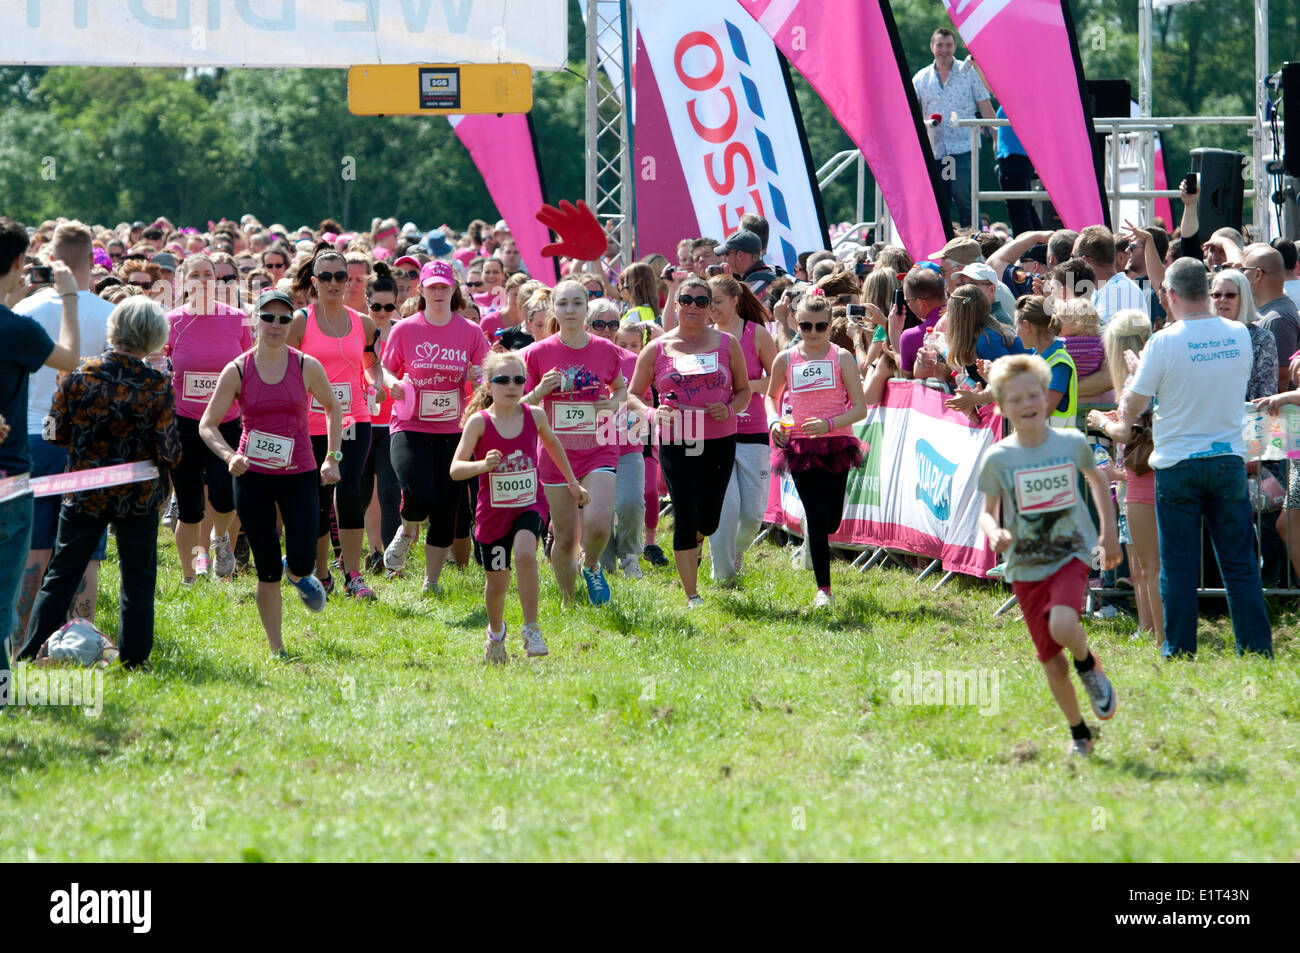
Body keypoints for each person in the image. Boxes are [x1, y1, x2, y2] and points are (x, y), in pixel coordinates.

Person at [1110, 258, 1272, 658]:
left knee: (1179, 567)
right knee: (1240, 563)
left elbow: (1133, 406)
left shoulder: (1163, 341)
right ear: (1206, 289)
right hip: (1227, 460)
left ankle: (1179, 650)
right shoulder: (1238, 333)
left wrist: (1136, 374)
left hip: (1178, 463)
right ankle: (1255, 648)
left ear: (1171, 294)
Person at [21, 297, 181, 669]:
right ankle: (135, 661)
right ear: (153, 336)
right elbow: (170, 452)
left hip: (84, 490)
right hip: (138, 495)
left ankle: (30, 654)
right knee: (137, 580)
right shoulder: (157, 384)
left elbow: (55, 434)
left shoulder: (77, 375)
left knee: (61, 576)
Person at [977, 353, 1121, 757]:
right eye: (1016, 399)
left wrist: (1108, 535)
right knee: (1050, 661)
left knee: (1063, 624)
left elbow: (1098, 480)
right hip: (1025, 563)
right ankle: (1079, 732)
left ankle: (1088, 662)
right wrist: (996, 531)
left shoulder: (1072, 443)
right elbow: (986, 514)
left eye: (1034, 395)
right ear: (1003, 406)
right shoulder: (999, 457)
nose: (1026, 405)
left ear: (1047, 397)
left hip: (1070, 551)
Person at [200, 289, 341, 659]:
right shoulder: (238, 369)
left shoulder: (307, 365)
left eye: (283, 318)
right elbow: (208, 425)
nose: (276, 325)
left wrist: (333, 457)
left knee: (302, 559)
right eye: (268, 317)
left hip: (300, 473)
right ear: (255, 321)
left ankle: (297, 573)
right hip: (253, 476)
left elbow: (333, 408)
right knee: (265, 569)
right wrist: (230, 456)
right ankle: (277, 648)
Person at [451, 351, 589, 663]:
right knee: (497, 582)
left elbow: (553, 445)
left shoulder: (534, 415)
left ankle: (531, 628)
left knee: (526, 553)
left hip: (530, 502)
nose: (511, 386)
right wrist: (482, 466)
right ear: (488, 385)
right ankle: (496, 633)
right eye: (502, 380)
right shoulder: (479, 422)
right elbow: (455, 469)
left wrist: (572, 483)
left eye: (518, 380)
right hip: (494, 513)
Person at [15, 221, 115, 637]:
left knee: (35, 547)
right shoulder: (112, 314)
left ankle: (21, 638)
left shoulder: (24, 311)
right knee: (85, 548)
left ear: (51, 260)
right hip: (89, 441)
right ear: (92, 260)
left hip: (34, 437)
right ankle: (80, 638)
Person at [627, 276, 750, 607]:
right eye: (687, 300)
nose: (693, 306)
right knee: (685, 513)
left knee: (708, 520)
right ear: (676, 304)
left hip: (719, 439)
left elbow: (744, 391)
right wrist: (653, 415)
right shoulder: (657, 348)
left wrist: (728, 408)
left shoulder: (727, 344)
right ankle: (691, 595)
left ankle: (698, 535)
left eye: (701, 301)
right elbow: (633, 396)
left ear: (710, 307)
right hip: (677, 440)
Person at [0, 221, 81, 679]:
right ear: (17, 263)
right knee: (2, 605)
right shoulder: (18, 330)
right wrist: (67, 295)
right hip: (9, 482)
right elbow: (69, 357)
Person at [380, 261, 487, 592]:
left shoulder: (470, 332)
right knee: (417, 491)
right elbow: (384, 369)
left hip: (453, 430)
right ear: (420, 290)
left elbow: (486, 375)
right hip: (409, 424)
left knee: (447, 507)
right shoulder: (405, 329)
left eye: (444, 287)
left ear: (453, 290)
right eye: (432, 287)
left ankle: (432, 581)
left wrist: (476, 376)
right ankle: (408, 527)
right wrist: (392, 384)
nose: (438, 293)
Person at [521, 278, 627, 605]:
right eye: (563, 303)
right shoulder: (537, 353)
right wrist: (540, 392)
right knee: (565, 537)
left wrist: (611, 404)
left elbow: (621, 388)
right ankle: (569, 602)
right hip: (556, 451)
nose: (570, 310)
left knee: (597, 525)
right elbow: (517, 403)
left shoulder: (606, 350)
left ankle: (591, 564)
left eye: (577, 303)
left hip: (599, 447)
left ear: (586, 308)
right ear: (553, 308)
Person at [288, 247, 380, 600]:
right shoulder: (301, 321)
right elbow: (288, 370)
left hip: (354, 420)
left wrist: (380, 383)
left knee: (349, 489)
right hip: (311, 423)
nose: (333, 283)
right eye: (324, 277)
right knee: (317, 498)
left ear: (349, 281)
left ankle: (354, 575)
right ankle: (321, 572)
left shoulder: (364, 323)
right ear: (313, 282)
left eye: (340, 276)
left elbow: (372, 363)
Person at [766, 291, 868, 608]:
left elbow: (860, 408)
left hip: (836, 442)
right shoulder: (786, 358)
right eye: (806, 325)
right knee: (814, 512)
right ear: (796, 322)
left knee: (830, 521)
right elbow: (771, 397)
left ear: (829, 325)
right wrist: (773, 423)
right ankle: (824, 590)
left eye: (819, 327)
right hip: (799, 446)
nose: (812, 333)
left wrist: (829, 423)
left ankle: (815, 531)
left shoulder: (841, 358)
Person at [165, 254, 253, 585]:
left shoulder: (237, 319)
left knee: (225, 495)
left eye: (208, 275)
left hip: (225, 422)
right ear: (183, 282)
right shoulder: (171, 321)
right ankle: (189, 576)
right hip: (184, 423)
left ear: (216, 281)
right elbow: (161, 366)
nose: (202, 280)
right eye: (195, 275)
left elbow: (248, 368)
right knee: (189, 507)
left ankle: (220, 541)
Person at [1087, 310, 1163, 648]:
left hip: (1140, 477)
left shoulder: (1138, 377)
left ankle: (1155, 630)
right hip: (1135, 476)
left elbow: (1126, 432)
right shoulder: (1155, 371)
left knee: (1147, 564)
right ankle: (1147, 627)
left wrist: (1101, 423)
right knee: (1140, 564)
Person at [707, 274, 777, 584]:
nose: (711, 308)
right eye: (707, 302)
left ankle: (732, 551)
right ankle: (723, 573)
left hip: (753, 431)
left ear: (735, 301)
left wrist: (742, 388)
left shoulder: (756, 334)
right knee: (725, 505)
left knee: (751, 515)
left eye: (717, 302)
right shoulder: (705, 337)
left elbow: (779, 379)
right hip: (716, 433)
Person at [911, 27, 996, 229]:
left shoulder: (968, 73)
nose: (944, 49)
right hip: (935, 148)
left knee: (963, 195)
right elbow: (909, 112)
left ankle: (975, 243)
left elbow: (985, 105)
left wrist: (995, 137)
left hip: (963, 146)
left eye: (948, 45)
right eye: (939, 45)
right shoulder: (921, 78)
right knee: (940, 200)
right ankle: (944, 246)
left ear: (954, 47)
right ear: (932, 47)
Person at [360, 262, 402, 574]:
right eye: (376, 306)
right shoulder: (357, 328)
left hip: (392, 425)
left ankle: (390, 560)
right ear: (366, 301)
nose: (383, 312)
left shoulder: (403, 333)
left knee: (389, 492)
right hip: (360, 422)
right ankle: (371, 550)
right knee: (360, 493)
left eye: (389, 307)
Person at [1011, 295, 1077, 428]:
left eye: (1016, 327)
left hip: (1055, 446)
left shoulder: (1059, 364)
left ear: (1026, 325)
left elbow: (1040, 412)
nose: (1016, 334)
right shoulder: (1036, 359)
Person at [1211, 269, 1277, 401]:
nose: (1222, 300)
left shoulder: (1262, 339)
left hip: (1247, 416)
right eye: (1217, 295)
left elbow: (1266, 393)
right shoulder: (1204, 336)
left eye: (1230, 295)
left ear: (1243, 299)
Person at [1242, 245, 1299, 393]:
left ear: (1257, 275)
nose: (1242, 275)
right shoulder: (1269, 312)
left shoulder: (1277, 319)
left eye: (1244, 270)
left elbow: (1281, 378)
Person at [1075, 226, 1148, 327]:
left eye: (1074, 257)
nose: (1072, 263)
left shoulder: (1119, 290)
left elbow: (1098, 339)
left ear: (1085, 260)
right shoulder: (1104, 289)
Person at [994, 105, 1043, 236]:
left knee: (1018, 209)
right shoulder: (1017, 97)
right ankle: (1038, 248)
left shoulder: (1016, 97)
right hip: (1013, 156)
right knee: (1024, 207)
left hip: (1015, 157)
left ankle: (1028, 252)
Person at [715, 230, 776, 297]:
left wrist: (727, 284)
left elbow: (732, 306)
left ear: (740, 255)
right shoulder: (774, 271)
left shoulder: (751, 290)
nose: (724, 259)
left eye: (727, 254)